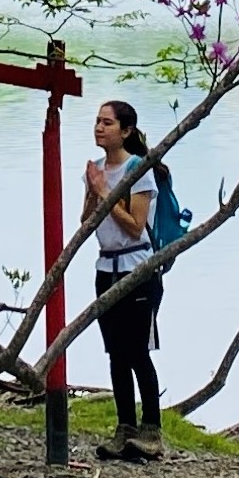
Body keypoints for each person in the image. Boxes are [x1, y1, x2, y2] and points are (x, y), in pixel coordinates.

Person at [84, 97, 165, 458]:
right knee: (116, 354)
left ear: (126, 131)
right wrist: (92, 189)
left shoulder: (138, 170)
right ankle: (124, 428)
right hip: (106, 270)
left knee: (136, 352)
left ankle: (152, 431)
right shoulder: (97, 169)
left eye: (108, 123)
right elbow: (86, 222)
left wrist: (105, 192)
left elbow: (135, 227)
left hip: (137, 271)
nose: (100, 128)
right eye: (98, 122)